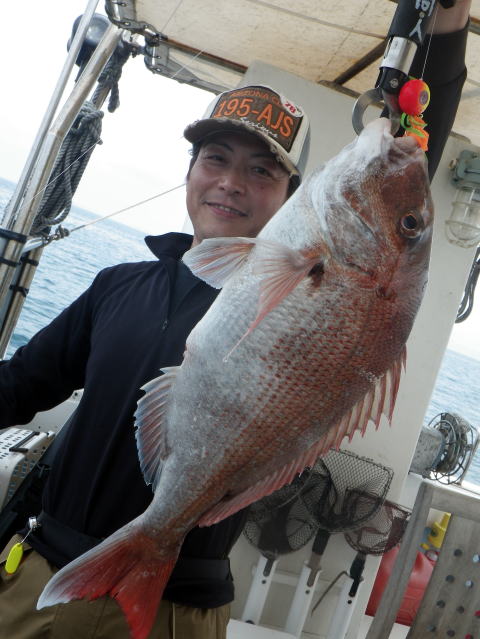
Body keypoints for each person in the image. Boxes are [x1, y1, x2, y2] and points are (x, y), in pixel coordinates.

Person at [0, 2, 472, 637]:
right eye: (215, 159)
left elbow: (412, 159)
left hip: (175, 610)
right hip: (36, 579)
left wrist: (444, 25)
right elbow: (21, 386)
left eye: (261, 170)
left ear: (291, 195)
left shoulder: (297, 276)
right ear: (190, 172)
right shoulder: (118, 284)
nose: (230, 182)